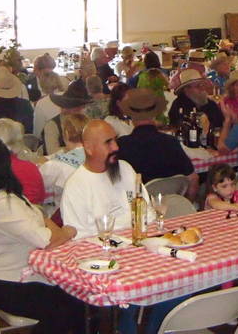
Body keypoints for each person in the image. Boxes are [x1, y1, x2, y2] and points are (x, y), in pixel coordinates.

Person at [60, 120, 179, 334]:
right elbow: (80, 241)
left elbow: (148, 213)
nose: (116, 147)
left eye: (115, 140)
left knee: (182, 283)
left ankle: (155, 329)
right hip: (107, 263)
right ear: (89, 148)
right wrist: (127, 229)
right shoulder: (76, 185)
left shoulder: (125, 169)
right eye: (108, 142)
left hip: (142, 252)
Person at [0, 140, 91, 333]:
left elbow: (42, 220)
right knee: (70, 308)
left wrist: (57, 233)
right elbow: (47, 240)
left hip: (16, 276)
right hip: (10, 282)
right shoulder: (4, 203)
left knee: (77, 301)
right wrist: (68, 231)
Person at [117, 88, 198, 200]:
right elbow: (193, 179)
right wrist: (186, 205)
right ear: (154, 115)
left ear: (131, 117)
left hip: (140, 209)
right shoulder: (171, 142)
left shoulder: (122, 145)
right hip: (172, 207)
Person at [38, 113, 87, 208]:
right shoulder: (98, 157)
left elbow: (38, 182)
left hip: (65, 215)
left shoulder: (56, 165)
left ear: (66, 134)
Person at [42, 80, 94, 155]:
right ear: (67, 108)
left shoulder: (87, 122)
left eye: (83, 107)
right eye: (79, 107)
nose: (83, 109)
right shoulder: (52, 125)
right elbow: (52, 152)